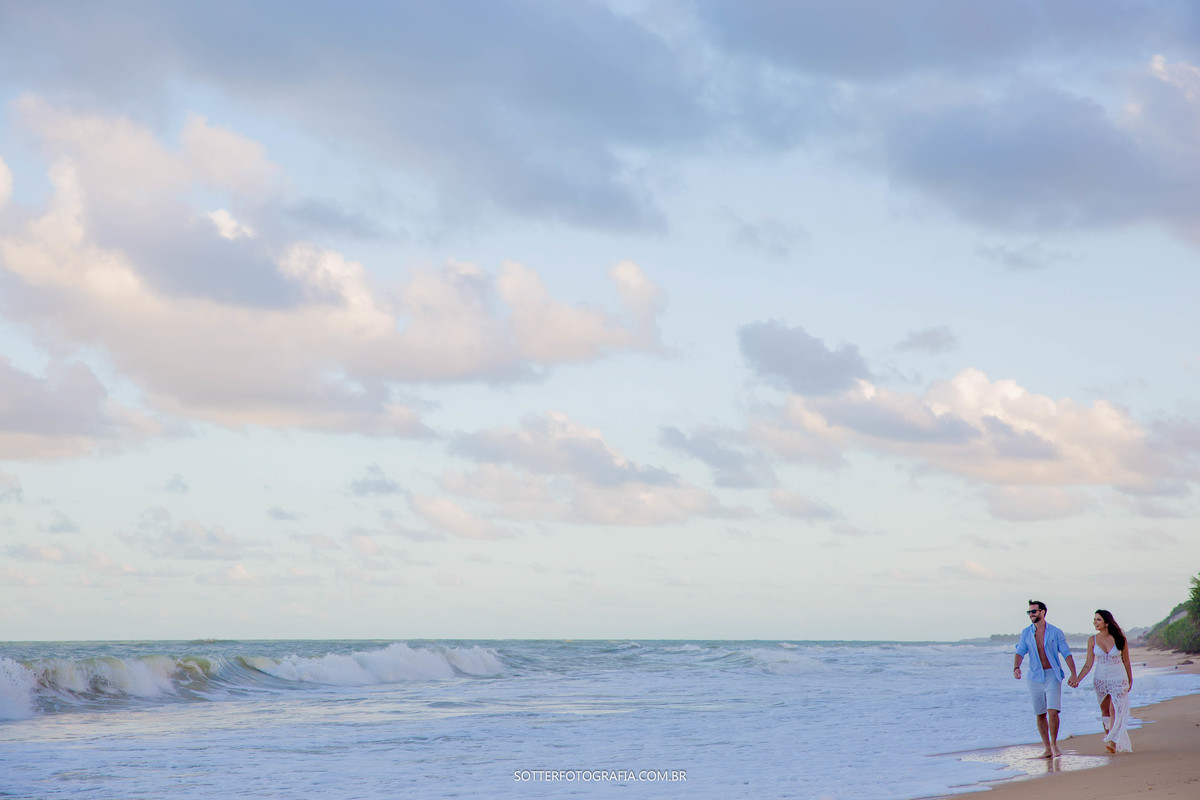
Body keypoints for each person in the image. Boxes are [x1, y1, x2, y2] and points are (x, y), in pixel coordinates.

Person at [1013, 599, 1078, 757]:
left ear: (1042, 612)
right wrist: (1016, 667)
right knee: (1040, 714)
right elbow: (1020, 651)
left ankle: (1055, 745)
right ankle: (1047, 748)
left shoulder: (1055, 632)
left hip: (1052, 675)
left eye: (1033, 611)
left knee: (1053, 711)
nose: (1031, 614)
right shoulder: (1026, 633)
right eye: (1029, 612)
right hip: (1034, 677)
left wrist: (1073, 674)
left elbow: (1066, 653)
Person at [1068, 610, 1133, 753]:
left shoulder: (1120, 638)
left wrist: (1130, 678)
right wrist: (1077, 679)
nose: (1095, 622)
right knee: (1105, 710)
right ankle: (1109, 736)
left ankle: (1113, 741)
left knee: (1115, 708)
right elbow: (1088, 664)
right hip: (1100, 679)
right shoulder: (1092, 640)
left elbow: (1126, 661)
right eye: (1094, 619)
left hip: (1118, 677)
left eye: (1098, 620)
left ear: (1107, 622)